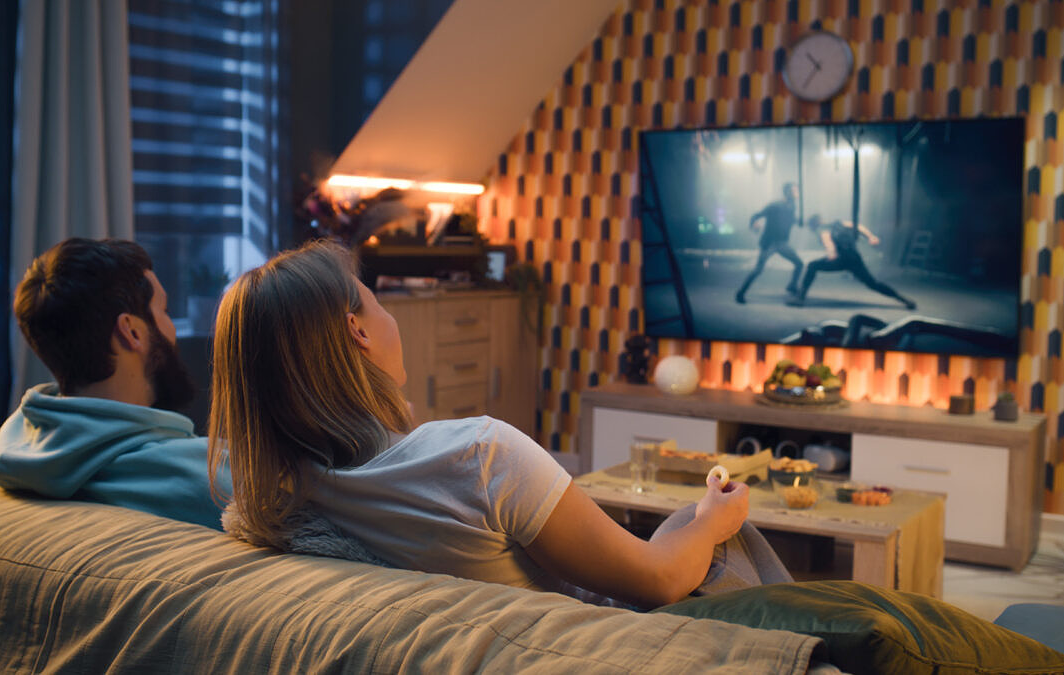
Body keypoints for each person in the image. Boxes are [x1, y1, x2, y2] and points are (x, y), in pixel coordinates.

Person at [209, 241, 791, 609]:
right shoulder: (480, 454)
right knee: (715, 522)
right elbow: (658, 579)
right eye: (377, 300)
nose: (390, 317)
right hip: (607, 631)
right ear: (358, 331)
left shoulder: (277, 492)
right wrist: (713, 520)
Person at [0, 238, 230, 530]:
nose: (171, 329)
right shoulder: (211, 480)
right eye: (164, 311)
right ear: (131, 331)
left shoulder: (11, 447)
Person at [789, 215, 916, 310]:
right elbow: (858, 226)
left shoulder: (823, 229)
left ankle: (800, 298)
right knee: (873, 283)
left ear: (814, 224)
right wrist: (870, 236)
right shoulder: (840, 224)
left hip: (841, 259)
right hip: (855, 258)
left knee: (812, 266)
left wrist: (831, 253)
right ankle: (903, 299)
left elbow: (827, 241)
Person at [735, 182, 803, 304]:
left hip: (782, 243)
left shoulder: (792, 206)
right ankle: (741, 292)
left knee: (799, 264)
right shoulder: (775, 205)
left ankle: (792, 286)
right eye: (794, 190)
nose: (797, 193)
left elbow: (791, 220)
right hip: (769, 243)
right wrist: (754, 223)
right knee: (758, 269)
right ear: (787, 192)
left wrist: (801, 222)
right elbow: (756, 215)